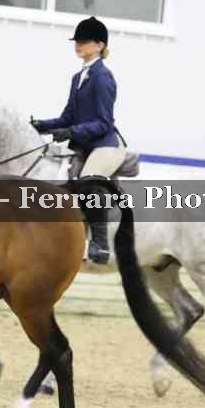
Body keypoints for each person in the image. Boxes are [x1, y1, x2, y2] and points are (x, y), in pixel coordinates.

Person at [30, 16, 126, 264]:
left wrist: (71, 132)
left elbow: (104, 122)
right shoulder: (78, 77)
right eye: (77, 41)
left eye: (84, 41)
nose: (78, 45)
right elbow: (68, 117)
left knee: (89, 180)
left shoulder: (103, 77)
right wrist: (42, 125)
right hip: (85, 144)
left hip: (105, 145)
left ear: (100, 45)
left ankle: (100, 244)